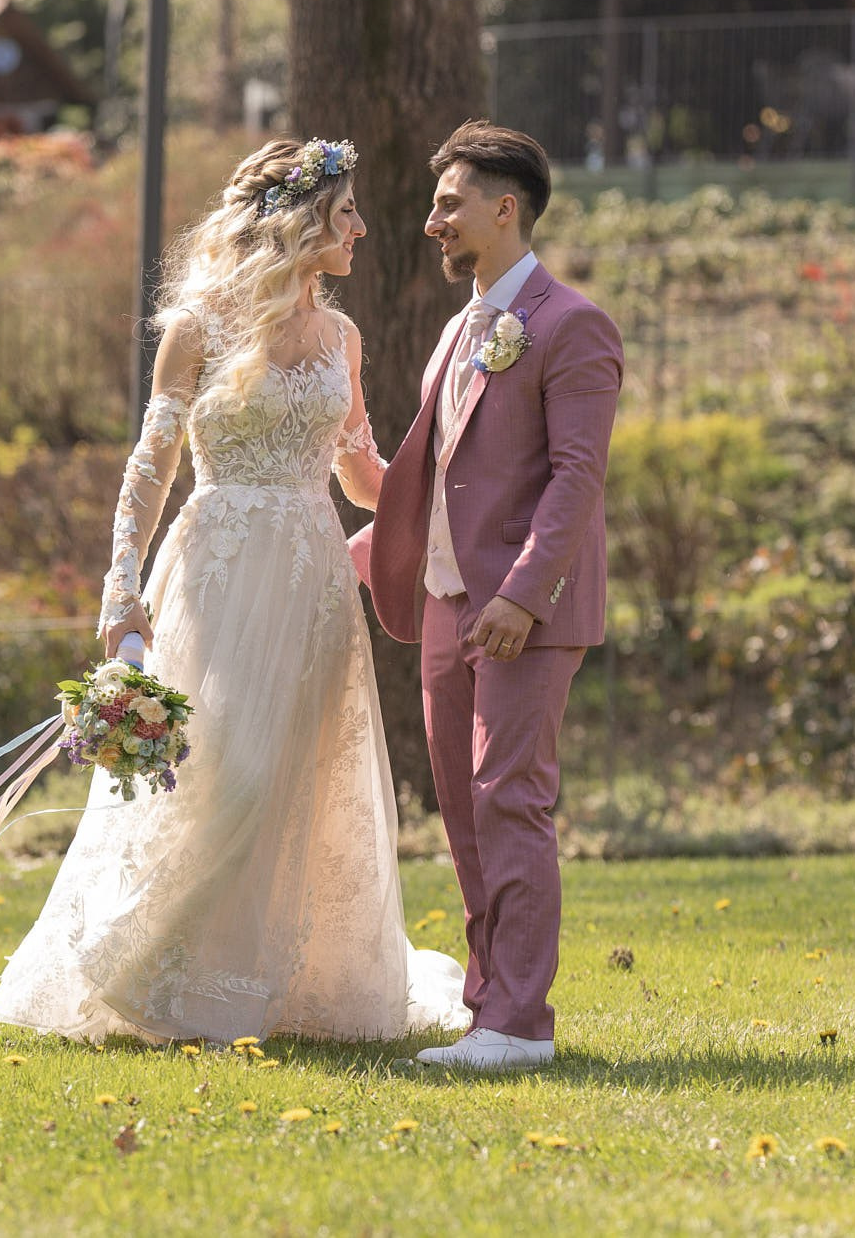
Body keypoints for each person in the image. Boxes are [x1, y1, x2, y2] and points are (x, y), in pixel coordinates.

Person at [0, 137, 470, 1044]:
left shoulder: (343, 338)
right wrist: (119, 588)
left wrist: (442, 469)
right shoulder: (197, 327)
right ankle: (138, 961)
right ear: (300, 224)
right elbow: (151, 462)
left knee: (294, 776)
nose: (362, 228)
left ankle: (265, 983)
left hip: (312, 577)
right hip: (216, 566)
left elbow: (361, 474)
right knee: (221, 771)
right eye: (346, 213)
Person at [352, 121, 623, 1072]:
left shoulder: (569, 324)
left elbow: (575, 479)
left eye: (449, 203)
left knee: (510, 798)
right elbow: (434, 479)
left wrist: (522, 594)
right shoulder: (457, 331)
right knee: (466, 808)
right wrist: (332, 549)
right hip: (444, 603)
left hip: (520, 612)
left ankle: (521, 1023)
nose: (432, 222)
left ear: (504, 209)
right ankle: (488, 1012)